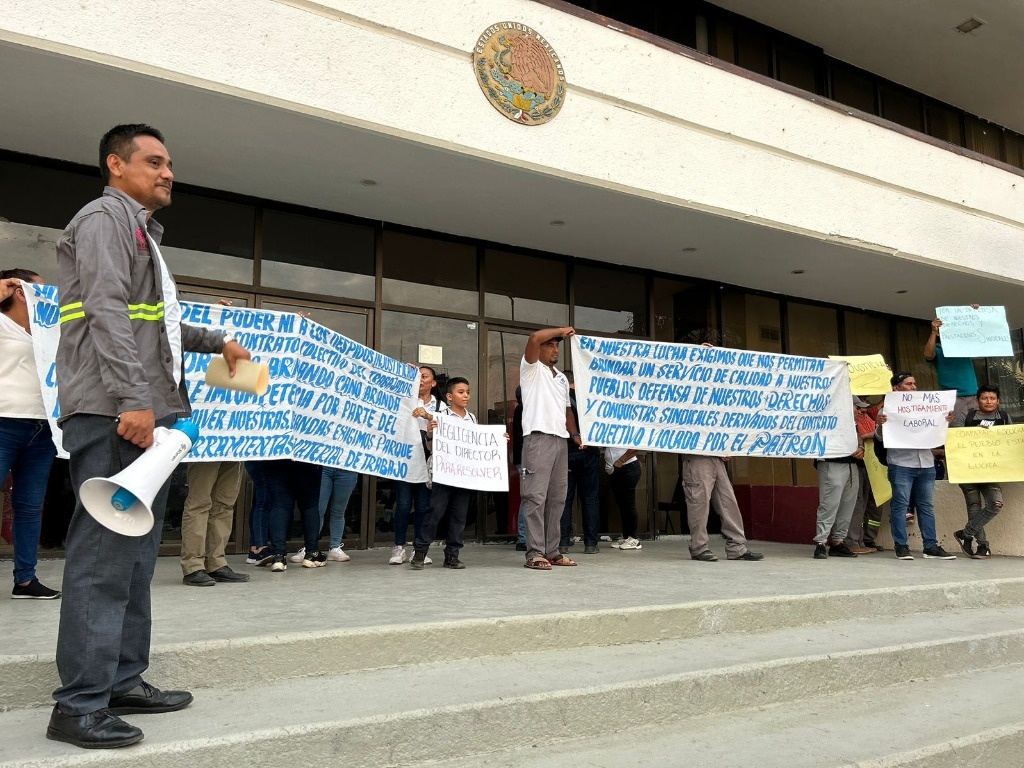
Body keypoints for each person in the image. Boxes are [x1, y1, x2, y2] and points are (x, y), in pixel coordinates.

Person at [48, 124, 252, 749]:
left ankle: (122, 681)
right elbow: (107, 310)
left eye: (170, 163)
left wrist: (216, 342)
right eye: (154, 161)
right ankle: (78, 706)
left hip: (148, 418)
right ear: (116, 164)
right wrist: (134, 399)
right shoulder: (105, 218)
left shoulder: (142, 232)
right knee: (103, 561)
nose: (168, 173)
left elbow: (152, 322)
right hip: (118, 413)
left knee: (135, 558)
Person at [0, 269, 60, 599]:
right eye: (40, 288)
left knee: (28, 506)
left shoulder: (47, 331)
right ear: (21, 292)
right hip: (4, 422)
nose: (48, 293)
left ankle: (25, 579)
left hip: (42, 428)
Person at [411, 377, 498, 569]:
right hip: (445, 473)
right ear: (449, 396)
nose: (466, 395)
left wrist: (498, 441)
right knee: (435, 512)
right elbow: (431, 446)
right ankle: (420, 552)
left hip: (464, 474)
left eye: (467, 392)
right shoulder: (440, 416)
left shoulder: (472, 418)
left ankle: (452, 554)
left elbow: (477, 444)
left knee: (459, 515)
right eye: (461, 392)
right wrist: (431, 434)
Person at [875, 372, 956, 561]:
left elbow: (935, 432)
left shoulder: (928, 408)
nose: (913, 387)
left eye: (914, 383)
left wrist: (945, 422)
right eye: (908, 383)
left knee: (926, 506)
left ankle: (931, 546)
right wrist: (879, 426)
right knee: (900, 506)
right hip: (901, 464)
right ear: (896, 387)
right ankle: (901, 547)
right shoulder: (887, 409)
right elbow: (880, 438)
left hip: (926, 464)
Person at [520, 327, 580, 570]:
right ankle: (534, 552)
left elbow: (566, 410)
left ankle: (552, 551)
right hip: (538, 438)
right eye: (551, 345)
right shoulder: (531, 369)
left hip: (560, 441)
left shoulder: (562, 378)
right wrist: (562, 331)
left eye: (558, 345)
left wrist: (574, 434)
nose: (555, 349)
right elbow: (533, 338)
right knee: (535, 497)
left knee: (557, 498)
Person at [951, 385, 1011, 559]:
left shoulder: (1005, 417)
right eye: (984, 398)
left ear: (998, 401)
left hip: (992, 471)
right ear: (977, 401)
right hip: (967, 470)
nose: (989, 401)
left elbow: (1012, 441)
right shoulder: (966, 416)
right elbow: (956, 439)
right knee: (974, 507)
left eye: (992, 398)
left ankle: (965, 534)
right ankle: (983, 547)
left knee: (995, 504)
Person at [390, 365, 441, 565]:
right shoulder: (405, 401)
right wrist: (404, 371)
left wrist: (428, 416)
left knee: (423, 506)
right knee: (402, 504)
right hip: (406, 457)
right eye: (416, 377)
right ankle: (398, 547)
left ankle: (419, 548)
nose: (420, 380)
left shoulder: (440, 406)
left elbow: (446, 427)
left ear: (433, 383)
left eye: (424, 377)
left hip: (426, 458)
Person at [179, 461, 247, 586]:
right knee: (199, 503)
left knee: (225, 504)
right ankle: (193, 566)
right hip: (207, 444)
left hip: (233, 445)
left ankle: (216, 563)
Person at [811, 400, 865, 559]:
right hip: (832, 463)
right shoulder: (827, 417)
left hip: (852, 465)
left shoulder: (852, 423)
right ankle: (820, 542)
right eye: (857, 407)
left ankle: (838, 541)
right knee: (829, 503)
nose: (860, 411)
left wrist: (861, 448)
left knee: (848, 504)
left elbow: (858, 438)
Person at [559, 371, 600, 554]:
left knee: (565, 500)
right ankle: (591, 544)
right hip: (589, 453)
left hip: (567, 452)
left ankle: (563, 543)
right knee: (590, 499)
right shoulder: (590, 398)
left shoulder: (559, 399)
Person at [264, 459, 324, 571]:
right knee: (310, 506)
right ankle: (312, 552)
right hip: (307, 456)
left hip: (279, 454)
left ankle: (278, 556)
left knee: (279, 505)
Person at [925, 310, 979, 418]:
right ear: (940, 333)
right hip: (953, 397)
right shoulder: (938, 349)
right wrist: (933, 332)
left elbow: (979, 329)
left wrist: (975, 311)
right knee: (957, 430)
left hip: (974, 395)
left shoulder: (965, 346)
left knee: (977, 429)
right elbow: (928, 355)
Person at [844, 397, 881, 554]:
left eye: (863, 408)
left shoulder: (867, 419)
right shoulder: (845, 424)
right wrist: (864, 439)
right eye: (858, 408)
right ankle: (851, 541)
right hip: (852, 466)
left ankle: (861, 540)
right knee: (856, 502)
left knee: (865, 502)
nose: (862, 411)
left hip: (869, 466)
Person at [605, 446, 642, 551]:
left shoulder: (627, 429)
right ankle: (627, 537)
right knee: (622, 505)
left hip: (628, 466)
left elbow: (635, 446)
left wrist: (621, 460)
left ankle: (634, 539)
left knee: (629, 504)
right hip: (616, 470)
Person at [512, 386, 528, 551]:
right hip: (527, 459)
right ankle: (523, 538)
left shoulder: (520, 410)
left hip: (524, 458)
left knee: (528, 498)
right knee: (529, 499)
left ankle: (524, 537)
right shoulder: (524, 410)